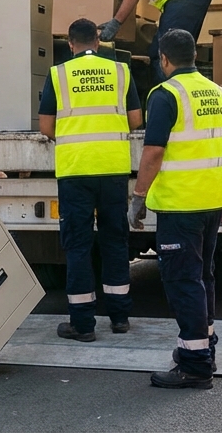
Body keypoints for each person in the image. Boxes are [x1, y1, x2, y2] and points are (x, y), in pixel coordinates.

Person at [127, 29, 222, 390]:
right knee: (203, 278)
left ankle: (196, 365)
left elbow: (153, 151)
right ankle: (202, 346)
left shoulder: (166, 94)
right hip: (212, 199)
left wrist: (138, 196)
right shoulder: (216, 92)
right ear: (196, 56)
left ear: (164, 59)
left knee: (184, 281)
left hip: (181, 204)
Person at [38, 18, 143, 342]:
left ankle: (82, 324)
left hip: (75, 170)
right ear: (98, 42)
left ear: (70, 44)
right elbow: (136, 120)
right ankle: (120, 317)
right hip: (112, 169)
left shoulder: (59, 74)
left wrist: (73, 137)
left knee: (78, 246)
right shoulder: (121, 71)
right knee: (115, 241)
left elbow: (46, 126)